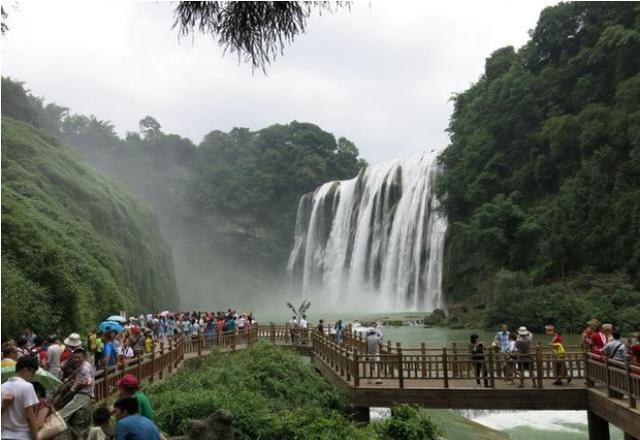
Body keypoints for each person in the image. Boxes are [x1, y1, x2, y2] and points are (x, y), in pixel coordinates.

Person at [1, 355, 40, 439]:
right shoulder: (27, 387)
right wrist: (35, 437)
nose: (32, 376)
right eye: (33, 372)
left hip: (4, 435)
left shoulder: (2, 387)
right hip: (22, 436)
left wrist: (5, 406)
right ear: (26, 370)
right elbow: (29, 416)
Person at [59, 348, 95, 423]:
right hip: (77, 390)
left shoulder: (85, 368)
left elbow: (89, 380)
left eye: (79, 357)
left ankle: (58, 425)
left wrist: (84, 383)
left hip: (83, 393)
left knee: (64, 412)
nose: (76, 359)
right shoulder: (83, 364)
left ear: (84, 357)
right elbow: (76, 372)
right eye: (75, 357)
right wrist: (68, 379)